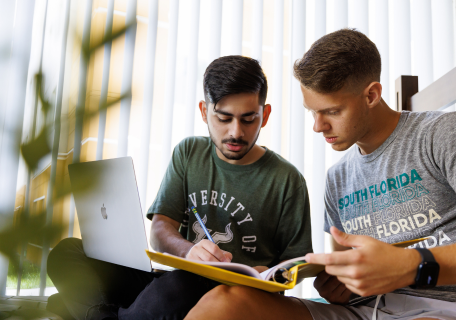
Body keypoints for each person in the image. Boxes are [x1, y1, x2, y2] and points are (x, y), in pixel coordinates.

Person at [184, 29, 456, 320]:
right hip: (362, 310)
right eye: (312, 112)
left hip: (447, 307)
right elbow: (346, 281)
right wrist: (341, 284)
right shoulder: (337, 177)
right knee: (225, 303)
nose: (317, 126)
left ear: (372, 95)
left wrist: (412, 264)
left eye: (332, 112)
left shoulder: (441, 133)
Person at [46, 56, 313, 320]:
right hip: (173, 281)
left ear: (264, 115)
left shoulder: (287, 179)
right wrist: (189, 251)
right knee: (66, 253)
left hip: (227, 298)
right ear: (203, 111)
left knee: (175, 287)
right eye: (223, 118)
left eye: (248, 119)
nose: (236, 132)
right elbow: (160, 230)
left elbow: (298, 262)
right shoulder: (188, 153)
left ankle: (98, 312)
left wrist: (267, 272)